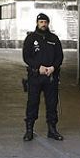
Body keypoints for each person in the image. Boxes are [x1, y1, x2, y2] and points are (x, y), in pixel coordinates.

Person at [22, 13, 64, 141]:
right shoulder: (30, 38)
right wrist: (38, 67)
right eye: (41, 22)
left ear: (48, 23)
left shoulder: (54, 38)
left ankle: (52, 129)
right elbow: (26, 57)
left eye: (45, 22)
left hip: (51, 76)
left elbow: (59, 57)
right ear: (37, 23)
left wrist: (53, 67)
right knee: (33, 102)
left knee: (52, 103)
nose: (43, 24)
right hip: (35, 76)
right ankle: (29, 130)